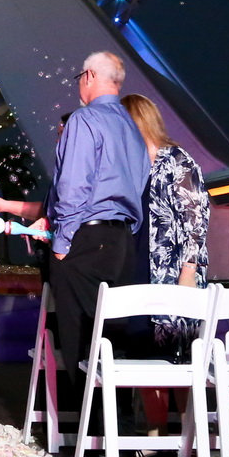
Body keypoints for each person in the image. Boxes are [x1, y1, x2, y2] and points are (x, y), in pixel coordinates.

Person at [46, 52, 149, 396]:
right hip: (120, 241)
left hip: (85, 240)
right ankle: (118, 432)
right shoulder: (131, 126)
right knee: (112, 340)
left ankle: (90, 439)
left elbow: (73, 185)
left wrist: (62, 242)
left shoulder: (84, 120)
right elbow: (139, 182)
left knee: (80, 341)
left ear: (88, 75)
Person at [123, 93, 210, 434]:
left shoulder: (177, 160)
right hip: (137, 267)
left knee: (179, 354)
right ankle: (154, 431)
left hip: (174, 271)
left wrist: (189, 271)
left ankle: (189, 434)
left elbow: (197, 221)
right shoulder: (130, 166)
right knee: (143, 352)